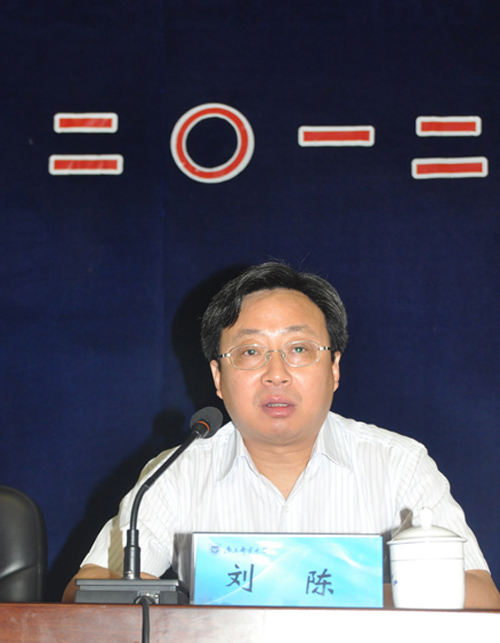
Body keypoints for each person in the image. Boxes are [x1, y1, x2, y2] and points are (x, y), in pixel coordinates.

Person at [63, 262, 500, 607]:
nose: (276, 374)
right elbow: (87, 588)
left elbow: (481, 594)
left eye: (299, 349)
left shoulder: (398, 464)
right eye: (251, 351)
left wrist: (329, 592)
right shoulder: (177, 471)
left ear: (334, 368)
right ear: (218, 377)